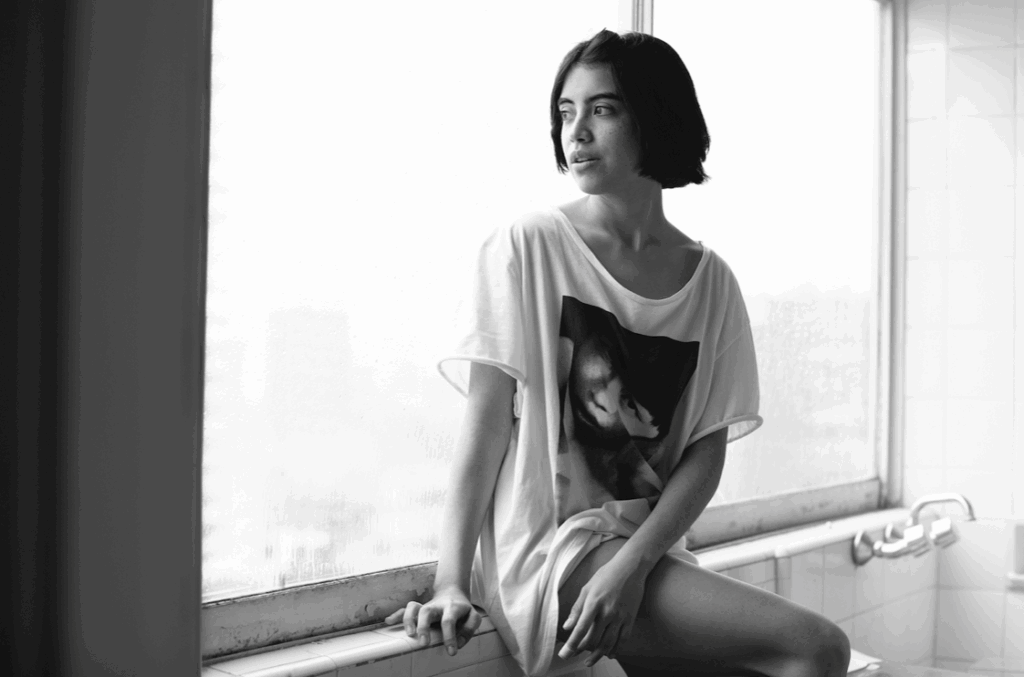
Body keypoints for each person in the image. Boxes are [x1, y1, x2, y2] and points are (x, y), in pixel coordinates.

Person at [386, 28, 851, 677]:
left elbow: (704, 456)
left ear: (654, 119)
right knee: (820, 647)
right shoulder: (528, 245)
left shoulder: (711, 283)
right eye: (565, 112)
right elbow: (485, 424)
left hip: (644, 557)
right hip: (554, 560)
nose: (575, 133)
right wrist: (449, 581)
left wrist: (634, 565)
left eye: (601, 109)